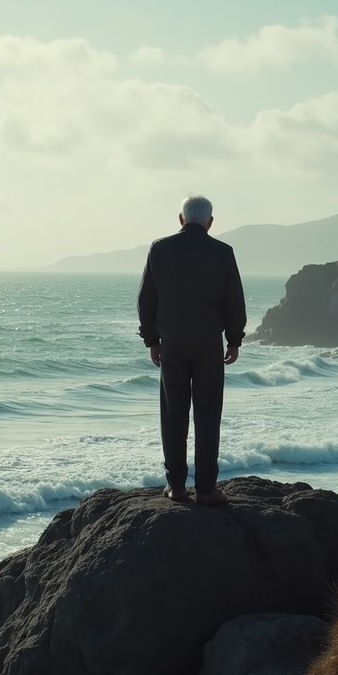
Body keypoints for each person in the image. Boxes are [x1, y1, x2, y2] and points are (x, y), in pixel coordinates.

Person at [137, 194, 247, 505]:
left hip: (172, 344)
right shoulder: (223, 252)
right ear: (210, 222)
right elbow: (234, 302)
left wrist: (152, 341)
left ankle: (176, 486)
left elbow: (146, 299)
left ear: (181, 219)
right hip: (209, 344)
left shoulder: (160, 249)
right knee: (207, 415)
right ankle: (206, 489)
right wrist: (234, 339)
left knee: (174, 415)